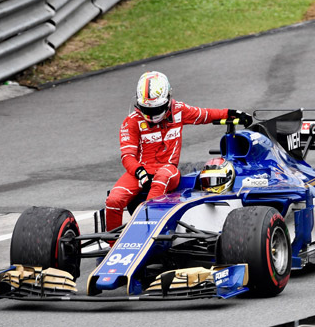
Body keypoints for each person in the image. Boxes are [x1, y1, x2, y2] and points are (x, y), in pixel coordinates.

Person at [104, 71, 252, 231]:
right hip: (140, 172)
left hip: (168, 170)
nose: (152, 114)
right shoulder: (131, 122)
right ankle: (113, 244)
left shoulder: (179, 111)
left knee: (162, 177)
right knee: (113, 200)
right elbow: (127, 156)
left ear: (167, 99)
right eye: (147, 109)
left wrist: (231, 113)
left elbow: (205, 115)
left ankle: (147, 231)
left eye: (156, 109)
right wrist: (140, 172)